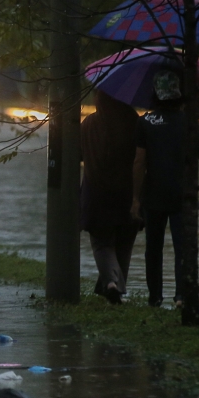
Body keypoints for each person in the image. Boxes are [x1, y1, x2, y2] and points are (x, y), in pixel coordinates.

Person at [131, 70, 199, 307]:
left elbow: (139, 162)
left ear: (155, 94)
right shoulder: (192, 124)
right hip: (183, 195)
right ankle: (182, 297)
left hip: (153, 195)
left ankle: (155, 297)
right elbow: (197, 158)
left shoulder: (145, 122)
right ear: (179, 95)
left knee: (153, 249)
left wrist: (135, 198)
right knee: (183, 249)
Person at [80, 90, 140, 304]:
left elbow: (78, 154)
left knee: (102, 244)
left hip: (96, 194)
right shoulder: (132, 121)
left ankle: (111, 284)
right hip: (126, 192)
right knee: (124, 243)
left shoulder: (88, 124)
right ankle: (112, 287)